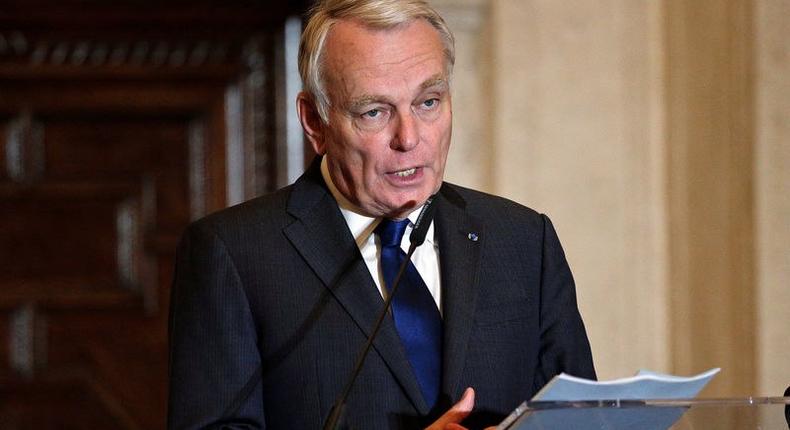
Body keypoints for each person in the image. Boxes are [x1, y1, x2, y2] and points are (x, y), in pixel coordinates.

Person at [167, 0, 595, 429]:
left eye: (428, 102)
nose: (409, 139)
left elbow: (579, 419)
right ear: (316, 122)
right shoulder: (235, 254)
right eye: (375, 112)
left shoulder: (521, 239)